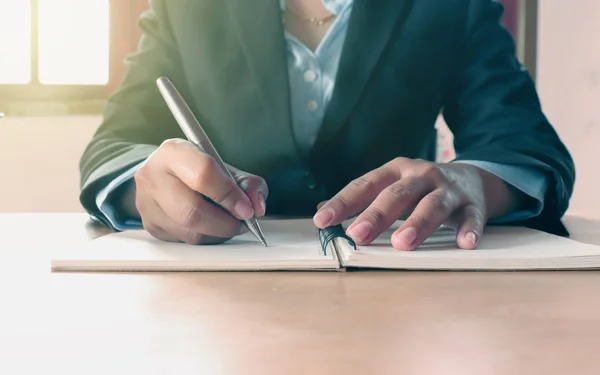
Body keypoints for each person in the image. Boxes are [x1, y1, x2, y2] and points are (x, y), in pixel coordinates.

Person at [79, 0, 575, 251]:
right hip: (217, 291)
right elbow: (116, 143)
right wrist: (142, 184)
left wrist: (474, 181)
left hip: (405, 283)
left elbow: (525, 148)